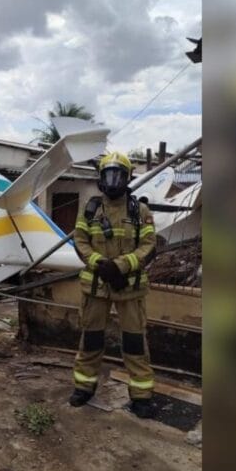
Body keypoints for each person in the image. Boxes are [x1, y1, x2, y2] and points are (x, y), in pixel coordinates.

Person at [69, 152, 158, 418]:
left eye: (118, 175)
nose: (112, 180)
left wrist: (121, 266)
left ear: (128, 177)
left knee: (134, 341)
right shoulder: (90, 209)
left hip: (129, 289)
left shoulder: (139, 210)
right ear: (100, 178)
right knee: (91, 339)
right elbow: (80, 241)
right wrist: (99, 264)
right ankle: (84, 387)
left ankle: (141, 396)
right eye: (108, 174)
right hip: (95, 288)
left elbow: (149, 245)